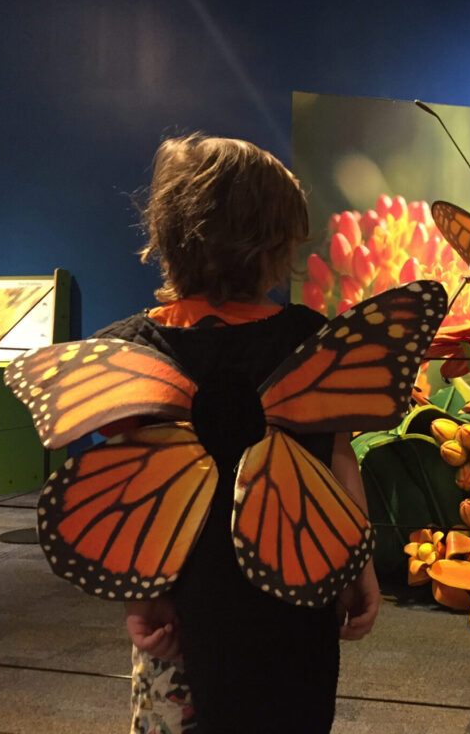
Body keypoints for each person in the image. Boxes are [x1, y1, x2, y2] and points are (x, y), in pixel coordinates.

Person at [92, 133, 380, 732]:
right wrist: (358, 567)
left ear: (168, 237)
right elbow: (338, 462)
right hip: (295, 585)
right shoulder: (308, 339)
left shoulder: (131, 351)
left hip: (184, 605)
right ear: (277, 244)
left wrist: (139, 599)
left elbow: (129, 497)